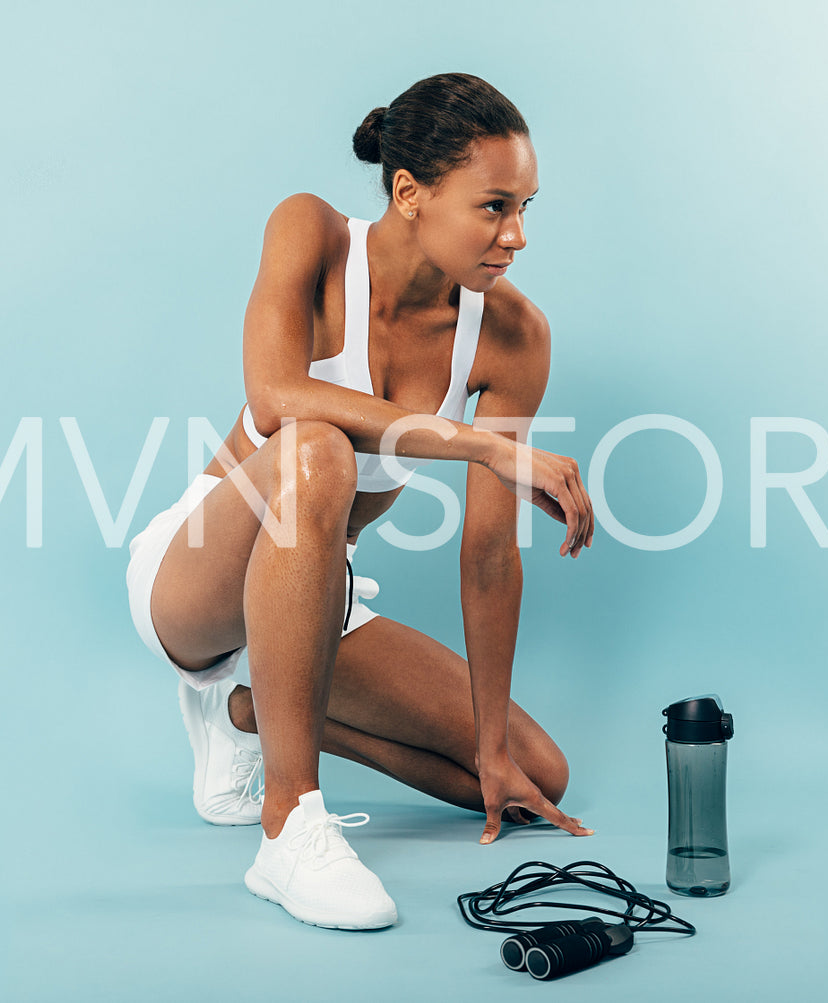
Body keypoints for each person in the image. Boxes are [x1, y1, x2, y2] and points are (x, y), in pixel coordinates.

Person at [125, 72, 596, 931]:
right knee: (314, 447)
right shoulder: (309, 231)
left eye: (526, 206)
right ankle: (288, 825)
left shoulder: (512, 335)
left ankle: (247, 711)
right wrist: (482, 446)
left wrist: (488, 742)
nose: (516, 235)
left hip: (312, 593)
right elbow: (274, 397)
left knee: (534, 776)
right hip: (195, 578)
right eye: (493, 206)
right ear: (410, 193)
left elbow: (489, 554)